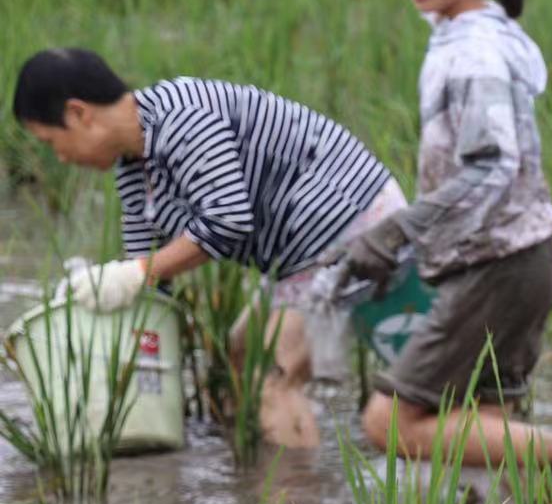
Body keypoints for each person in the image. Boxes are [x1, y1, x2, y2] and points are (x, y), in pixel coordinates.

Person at [11, 48, 404, 447]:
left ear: (79, 113)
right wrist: (92, 308)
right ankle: (259, 485)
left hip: (351, 231)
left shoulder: (181, 118)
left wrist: (136, 274)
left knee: (268, 380)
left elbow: (228, 221)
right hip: (302, 255)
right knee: (236, 360)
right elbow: (147, 270)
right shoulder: (132, 168)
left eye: (52, 141)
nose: (59, 157)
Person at [337, 0, 552, 477]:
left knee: (388, 421)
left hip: (497, 264)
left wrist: (398, 230)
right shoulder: (466, 31)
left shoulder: (474, 52)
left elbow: (494, 165)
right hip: (515, 259)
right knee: (488, 419)